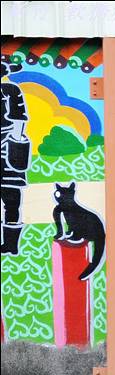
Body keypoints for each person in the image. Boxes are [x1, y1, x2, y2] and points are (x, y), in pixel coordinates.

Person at [1, 62, 31, 255]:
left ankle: (11, 244)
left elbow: (19, 119)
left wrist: (15, 142)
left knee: (12, 201)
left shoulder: (10, 90)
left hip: (7, 150)